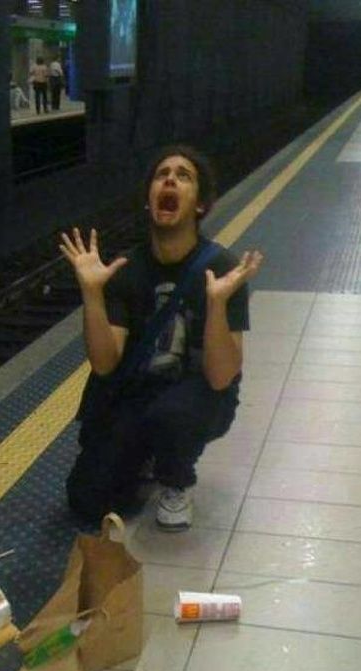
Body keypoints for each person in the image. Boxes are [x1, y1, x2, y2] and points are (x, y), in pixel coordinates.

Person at [62, 146, 262, 530]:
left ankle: (176, 480)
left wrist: (217, 305)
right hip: (137, 392)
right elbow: (105, 363)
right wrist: (91, 294)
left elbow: (222, 377)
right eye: (161, 175)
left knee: (171, 415)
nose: (170, 179)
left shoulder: (221, 269)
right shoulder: (127, 270)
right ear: (150, 200)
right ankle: (144, 456)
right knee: (87, 501)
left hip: (197, 394)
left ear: (200, 206)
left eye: (183, 176)